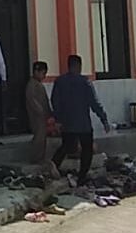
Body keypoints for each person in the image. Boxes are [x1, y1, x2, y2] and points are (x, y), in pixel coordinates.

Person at [50, 55, 110, 183]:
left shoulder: (59, 81)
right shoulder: (85, 82)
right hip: (83, 124)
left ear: (68, 66)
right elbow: (94, 103)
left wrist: (58, 119)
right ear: (79, 66)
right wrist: (103, 119)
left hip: (67, 122)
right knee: (87, 150)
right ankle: (82, 176)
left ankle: (54, 163)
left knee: (66, 146)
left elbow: (55, 101)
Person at [24, 61, 54, 170]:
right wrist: (40, 111)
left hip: (42, 116)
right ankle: (36, 157)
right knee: (39, 137)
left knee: (42, 137)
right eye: (43, 73)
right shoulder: (31, 85)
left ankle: (40, 157)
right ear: (36, 71)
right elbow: (31, 100)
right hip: (37, 116)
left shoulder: (38, 84)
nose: (44, 76)